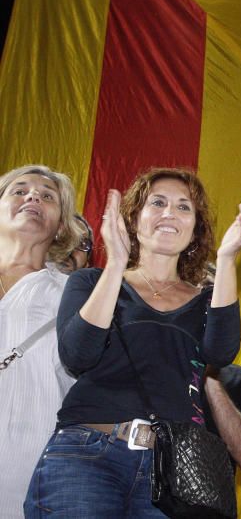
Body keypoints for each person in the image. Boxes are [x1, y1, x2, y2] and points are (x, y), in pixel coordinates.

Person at [24, 167, 241, 517]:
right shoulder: (91, 281)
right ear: (134, 219)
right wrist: (116, 263)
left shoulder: (208, 300)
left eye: (184, 207)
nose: (169, 213)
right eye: (158, 202)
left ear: (194, 229)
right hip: (87, 456)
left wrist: (226, 260)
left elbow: (220, 353)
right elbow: (77, 355)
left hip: (170, 473)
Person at [0, 165, 85, 519]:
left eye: (47, 196)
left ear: (62, 226)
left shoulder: (77, 299)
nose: (32, 196)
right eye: (18, 191)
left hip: (33, 483)